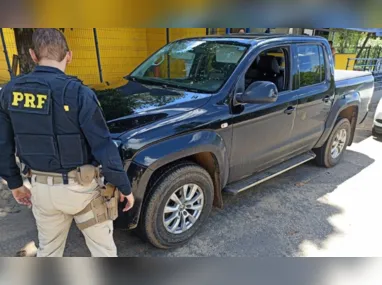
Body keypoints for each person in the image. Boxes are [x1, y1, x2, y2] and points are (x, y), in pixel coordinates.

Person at [0, 29, 134, 257]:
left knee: (49, 252)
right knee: (103, 252)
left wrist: (15, 184)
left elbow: (3, 144)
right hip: (82, 190)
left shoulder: (9, 92)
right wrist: (124, 187)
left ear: (33, 55)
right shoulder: (80, 93)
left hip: (41, 190)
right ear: (69, 56)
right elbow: (103, 146)